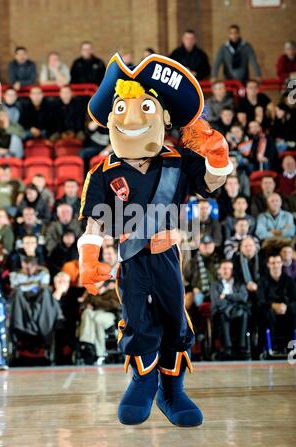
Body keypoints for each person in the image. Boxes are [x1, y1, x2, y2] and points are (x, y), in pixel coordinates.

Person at [78, 52, 231, 426]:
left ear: (162, 116)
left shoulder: (177, 159)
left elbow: (211, 185)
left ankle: (171, 390)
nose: (131, 118)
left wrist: (216, 156)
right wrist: (88, 257)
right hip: (130, 257)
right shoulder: (102, 172)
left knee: (174, 317)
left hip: (168, 254)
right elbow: (95, 223)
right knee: (136, 319)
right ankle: (143, 382)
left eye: (144, 107)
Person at [210, 260, 250, 359]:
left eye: (228, 269)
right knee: (224, 314)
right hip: (221, 312)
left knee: (244, 314)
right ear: (219, 270)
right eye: (223, 268)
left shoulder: (239, 283)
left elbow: (243, 297)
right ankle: (227, 348)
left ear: (232, 270)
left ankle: (242, 347)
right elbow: (216, 301)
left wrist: (227, 296)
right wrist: (233, 301)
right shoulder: (215, 284)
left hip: (238, 311)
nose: (226, 271)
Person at [258, 255, 296, 352]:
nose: (276, 265)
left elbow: (293, 298)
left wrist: (285, 306)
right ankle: (273, 346)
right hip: (269, 309)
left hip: (286, 309)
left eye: (278, 262)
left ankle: (290, 346)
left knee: (292, 311)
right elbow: (260, 301)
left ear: (282, 264)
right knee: (267, 313)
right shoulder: (262, 281)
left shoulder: (289, 280)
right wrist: (273, 305)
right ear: (268, 265)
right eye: (273, 263)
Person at [184, 235, 220, 307]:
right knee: (197, 301)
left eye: (209, 244)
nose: (207, 246)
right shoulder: (192, 262)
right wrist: (193, 288)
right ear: (199, 246)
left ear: (213, 245)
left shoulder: (219, 259)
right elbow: (187, 279)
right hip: (199, 292)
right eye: (204, 244)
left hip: (217, 290)